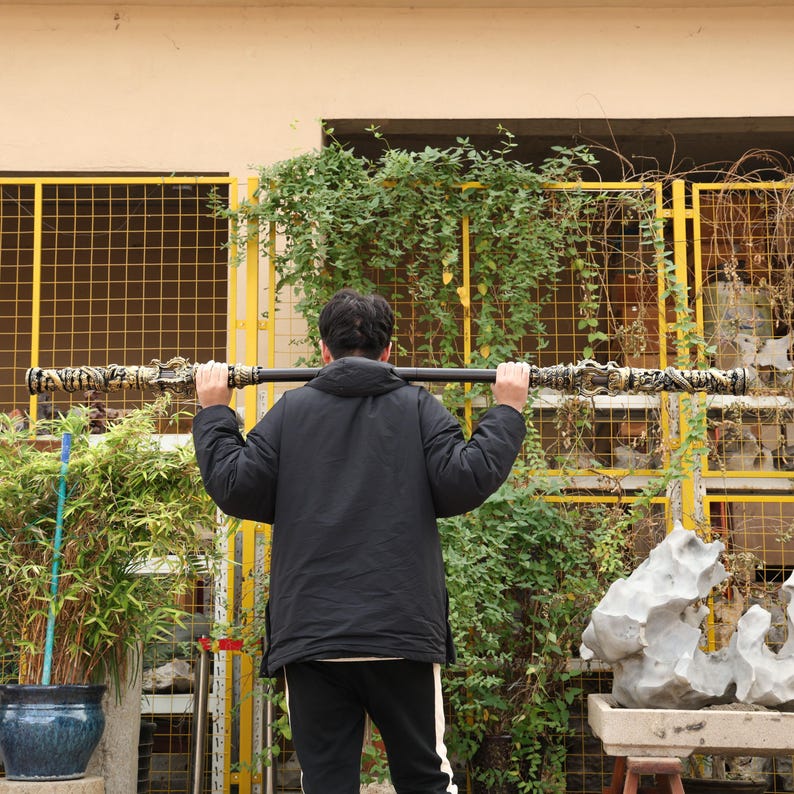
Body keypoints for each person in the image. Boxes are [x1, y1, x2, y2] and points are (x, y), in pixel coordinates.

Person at [192, 288, 530, 794]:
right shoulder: (419, 408)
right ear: (388, 350)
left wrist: (215, 409)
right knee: (424, 778)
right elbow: (465, 479)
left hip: (314, 634)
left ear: (322, 350)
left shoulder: (290, 413)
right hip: (398, 632)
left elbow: (238, 488)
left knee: (326, 783)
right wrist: (507, 409)